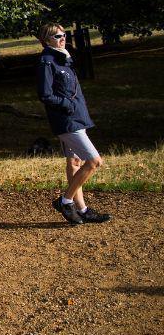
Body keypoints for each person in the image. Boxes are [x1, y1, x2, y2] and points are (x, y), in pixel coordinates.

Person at [36, 23, 110, 225]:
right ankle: (65, 200)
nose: (63, 38)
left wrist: (76, 108)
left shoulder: (64, 58)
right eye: (57, 36)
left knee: (74, 163)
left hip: (77, 117)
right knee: (94, 161)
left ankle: (82, 209)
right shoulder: (47, 62)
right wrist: (67, 105)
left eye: (64, 34)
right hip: (67, 121)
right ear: (46, 40)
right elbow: (45, 94)